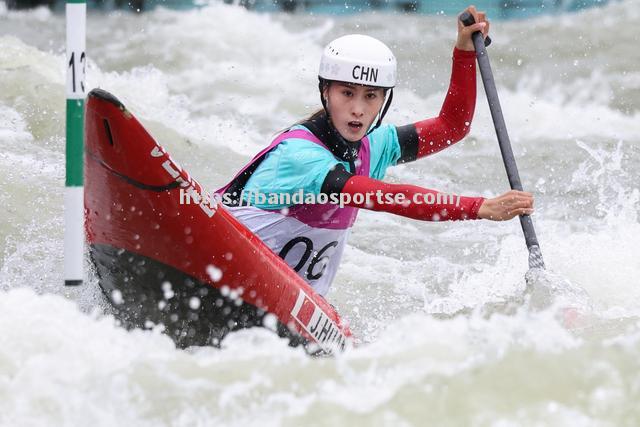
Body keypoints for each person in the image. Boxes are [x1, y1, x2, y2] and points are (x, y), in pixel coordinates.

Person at [216, 6, 534, 297]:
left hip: (288, 295)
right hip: (222, 265)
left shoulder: (375, 145)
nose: (357, 109)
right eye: (347, 93)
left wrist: (464, 52)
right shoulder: (299, 155)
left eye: (371, 96)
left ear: (384, 101)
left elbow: (452, 126)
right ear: (325, 92)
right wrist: (478, 207)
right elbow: (384, 196)